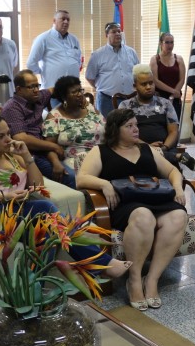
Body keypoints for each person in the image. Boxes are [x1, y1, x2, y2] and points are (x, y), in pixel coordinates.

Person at [0, 114, 131, 278]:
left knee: (43, 232)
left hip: (14, 214)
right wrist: (6, 197)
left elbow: (37, 186)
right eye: (1, 136)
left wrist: (27, 156)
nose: (8, 139)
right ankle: (101, 264)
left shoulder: (13, 157)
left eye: (9, 133)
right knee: (44, 207)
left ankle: (38, 288)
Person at [77, 109, 187, 311]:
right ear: (115, 130)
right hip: (126, 205)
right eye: (129, 126)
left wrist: (178, 187)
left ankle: (151, 280)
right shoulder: (101, 151)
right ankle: (134, 280)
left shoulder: (146, 149)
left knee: (179, 215)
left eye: (136, 125)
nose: (136, 129)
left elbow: (172, 171)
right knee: (144, 216)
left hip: (156, 199)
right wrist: (104, 184)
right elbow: (81, 178)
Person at [1, 69, 76, 188]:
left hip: (45, 150)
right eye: (31, 87)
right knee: (71, 177)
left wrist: (75, 94)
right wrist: (54, 146)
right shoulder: (12, 108)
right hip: (28, 155)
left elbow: (54, 89)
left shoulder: (38, 97)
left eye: (37, 85)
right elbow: (22, 139)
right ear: (19, 89)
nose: (36, 90)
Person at [119, 64, 195, 170]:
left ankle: (169, 156)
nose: (149, 87)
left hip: (165, 148)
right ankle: (176, 157)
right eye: (144, 84)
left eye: (151, 83)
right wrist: (148, 147)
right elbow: (124, 135)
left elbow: (173, 131)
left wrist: (163, 148)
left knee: (156, 159)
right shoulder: (125, 106)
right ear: (134, 86)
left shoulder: (166, 104)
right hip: (136, 147)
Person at [43, 75, 104, 173]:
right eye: (74, 92)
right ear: (63, 97)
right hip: (74, 164)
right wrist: (55, 163)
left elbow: (109, 129)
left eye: (80, 90)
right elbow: (49, 147)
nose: (79, 94)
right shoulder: (54, 117)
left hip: (101, 158)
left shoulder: (90, 109)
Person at [86, 22, 140, 119]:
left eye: (119, 31)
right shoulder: (98, 54)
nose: (118, 34)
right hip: (106, 100)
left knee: (129, 128)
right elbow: (90, 77)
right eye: (114, 32)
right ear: (106, 35)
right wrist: (103, 88)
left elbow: (137, 73)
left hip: (129, 99)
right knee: (107, 129)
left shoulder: (131, 52)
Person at [26, 10, 83, 89]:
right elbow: (31, 63)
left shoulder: (74, 39)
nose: (66, 22)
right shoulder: (43, 38)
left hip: (72, 91)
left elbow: (79, 61)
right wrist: (44, 73)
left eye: (68, 20)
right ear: (54, 21)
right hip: (52, 91)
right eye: (63, 19)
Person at [150, 32, 186, 119]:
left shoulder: (179, 58)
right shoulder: (155, 59)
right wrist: (173, 91)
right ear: (161, 44)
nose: (170, 45)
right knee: (160, 126)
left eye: (172, 42)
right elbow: (155, 80)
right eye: (167, 42)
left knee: (175, 125)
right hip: (159, 98)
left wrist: (173, 95)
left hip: (175, 99)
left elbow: (182, 79)